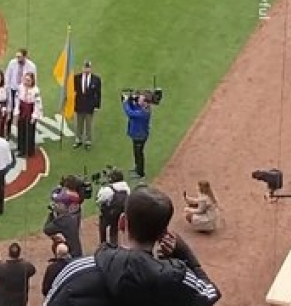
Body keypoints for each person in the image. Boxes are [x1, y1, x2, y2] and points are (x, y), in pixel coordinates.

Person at [44, 186, 221, 306]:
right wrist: (182, 251)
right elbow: (210, 292)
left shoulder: (77, 270)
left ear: (122, 223)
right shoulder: (176, 278)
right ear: (163, 233)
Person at [5, 48, 37, 135]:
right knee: (10, 110)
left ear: (25, 56)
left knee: (22, 112)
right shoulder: (12, 63)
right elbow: (7, 75)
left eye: (20, 57)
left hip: (23, 92)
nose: (18, 58)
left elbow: (34, 81)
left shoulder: (31, 66)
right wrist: (7, 88)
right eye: (17, 56)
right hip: (13, 90)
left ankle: (21, 132)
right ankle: (8, 132)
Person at [96, 169, 131, 246]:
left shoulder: (108, 189)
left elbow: (99, 200)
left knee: (102, 226)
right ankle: (114, 244)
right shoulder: (127, 188)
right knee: (114, 229)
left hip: (109, 215)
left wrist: (101, 189)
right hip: (121, 214)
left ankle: (103, 244)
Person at [123, 92, 153, 179]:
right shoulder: (142, 108)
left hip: (140, 136)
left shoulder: (144, 112)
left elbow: (130, 113)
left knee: (139, 153)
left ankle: (140, 173)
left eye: (140, 99)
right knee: (136, 153)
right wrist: (130, 100)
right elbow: (134, 107)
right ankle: (137, 168)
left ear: (145, 102)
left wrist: (125, 102)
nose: (138, 99)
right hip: (137, 135)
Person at [73, 60, 101, 149]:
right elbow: (72, 90)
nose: (86, 69)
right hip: (79, 104)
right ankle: (78, 140)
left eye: (88, 67)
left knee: (88, 124)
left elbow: (98, 93)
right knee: (79, 123)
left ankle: (88, 141)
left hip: (90, 106)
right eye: (85, 67)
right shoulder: (76, 78)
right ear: (82, 68)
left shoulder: (96, 79)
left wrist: (97, 105)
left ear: (90, 68)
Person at [14, 72, 42, 157]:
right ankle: (21, 149)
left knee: (30, 131)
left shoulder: (35, 90)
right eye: (25, 80)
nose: (26, 82)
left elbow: (37, 104)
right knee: (21, 130)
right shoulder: (20, 87)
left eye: (28, 80)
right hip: (22, 110)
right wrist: (16, 112)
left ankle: (30, 150)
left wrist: (34, 116)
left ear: (32, 81)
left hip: (30, 110)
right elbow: (17, 100)